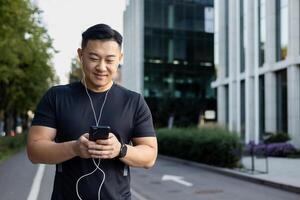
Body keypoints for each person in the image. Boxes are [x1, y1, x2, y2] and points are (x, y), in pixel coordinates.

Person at [27, 24, 158, 200]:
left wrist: (120, 149)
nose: (102, 67)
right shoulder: (56, 96)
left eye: (110, 60)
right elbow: (35, 150)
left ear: (120, 58)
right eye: (94, 58)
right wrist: (74, 148)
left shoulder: (133, 101)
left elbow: (150, 155)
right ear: (81, 55)